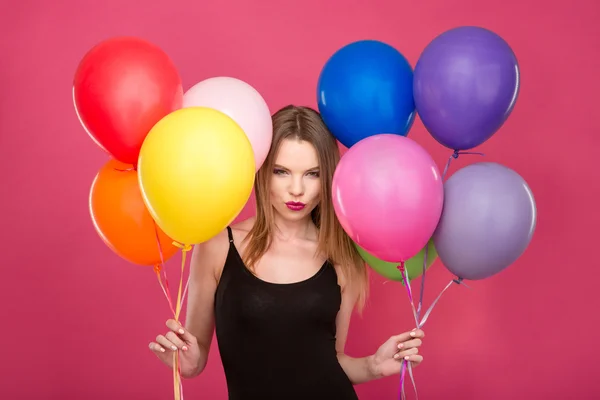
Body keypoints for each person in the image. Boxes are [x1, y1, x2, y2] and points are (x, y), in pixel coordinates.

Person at [148, 105, 425, 399]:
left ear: (327, 177)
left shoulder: (340, 255)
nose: (297, 189)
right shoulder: (217, 246)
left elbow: (330, 360)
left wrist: (373, 366)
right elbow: (197, 356)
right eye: (282, 172)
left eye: (312, 174)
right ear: (262, 171)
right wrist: (186, 362)